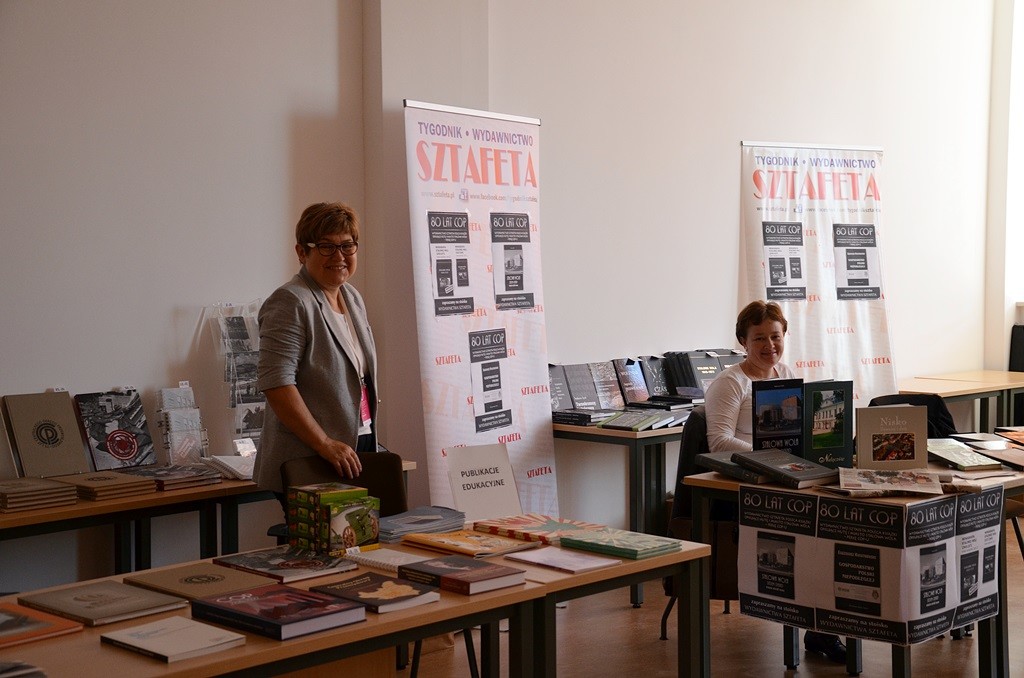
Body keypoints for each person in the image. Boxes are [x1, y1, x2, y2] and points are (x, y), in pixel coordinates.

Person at [703, 300, 847, 664]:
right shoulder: (730, 383)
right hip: (746, 487)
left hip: (786, 477)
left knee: (836, 522)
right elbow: (718, 442)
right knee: (812, 532)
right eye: (759, 338)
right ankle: (817, 627)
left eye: (776, 336)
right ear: (743, 341)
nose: (770, 345)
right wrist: (769, 454)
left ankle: (821, 626)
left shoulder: (785, 373)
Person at [254, 202, 377, 511]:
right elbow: (276, 383)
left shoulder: (351, 297)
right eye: (326, 247)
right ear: (301, 252)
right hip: (309, 458)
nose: (339, 256)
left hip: (353, 446)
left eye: (347, 245)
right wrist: (324, 443)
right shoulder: (290, 301)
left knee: (359, 538)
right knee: (325, 544)